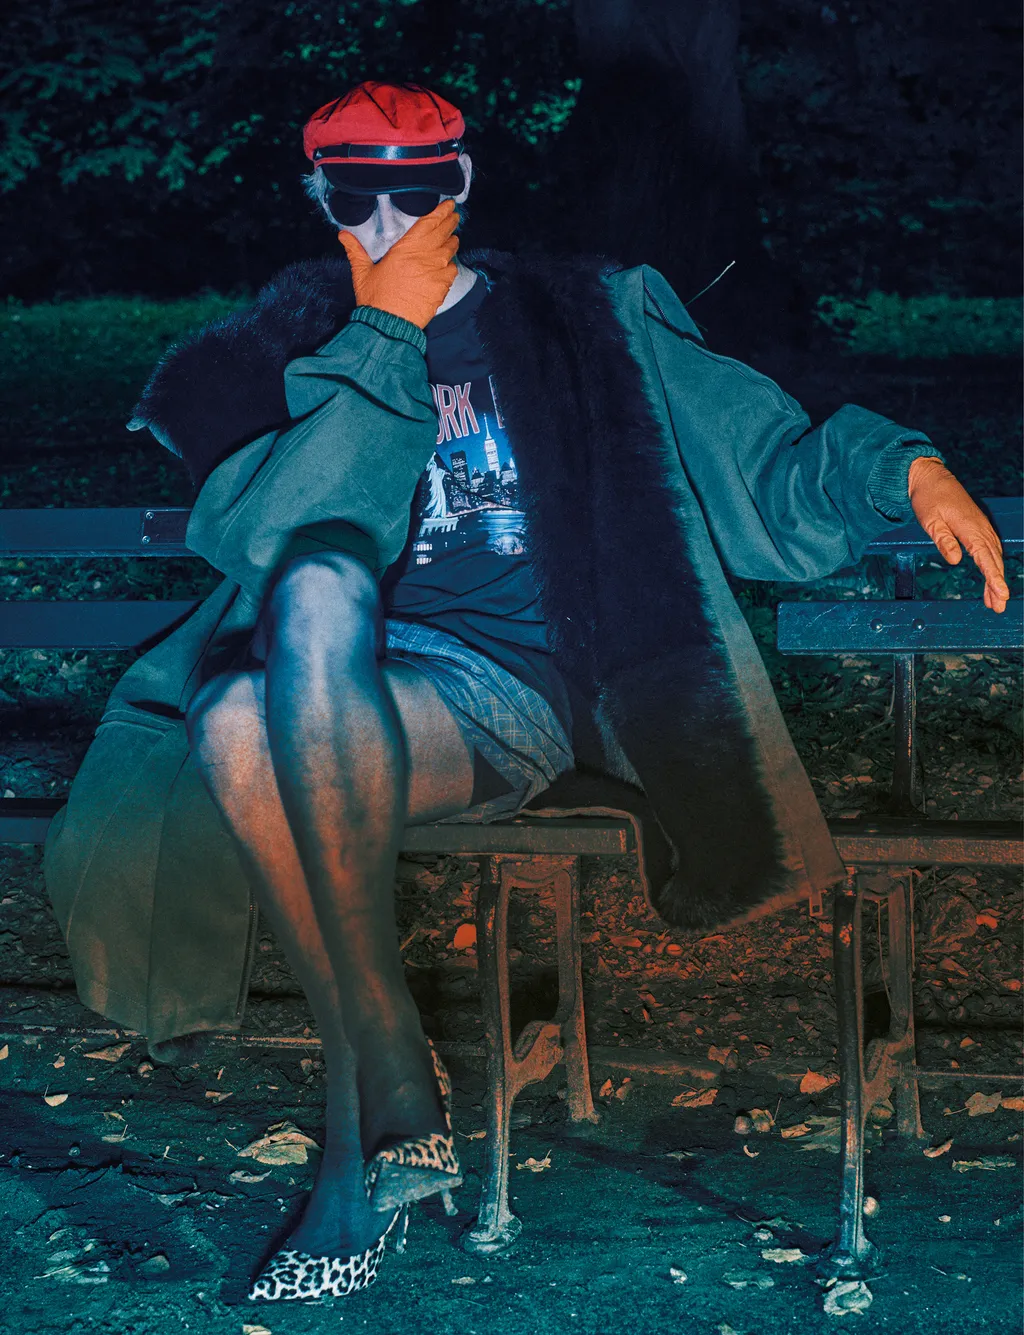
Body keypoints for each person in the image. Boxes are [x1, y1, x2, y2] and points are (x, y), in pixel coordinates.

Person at [43, 81, 1009, 1303]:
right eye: (356, 197)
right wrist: (382, 336)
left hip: (513, 699)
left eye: (416, 193)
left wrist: (903, 467)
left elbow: (764, 462)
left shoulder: (590, 317)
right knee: (288, 631)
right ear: (319, 200)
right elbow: (271, 535)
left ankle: (378, 1113)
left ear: (460, 186)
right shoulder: (276, 352)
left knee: (264, 685)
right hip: (331, 689)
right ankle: (384, 1115)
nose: (388, 222)